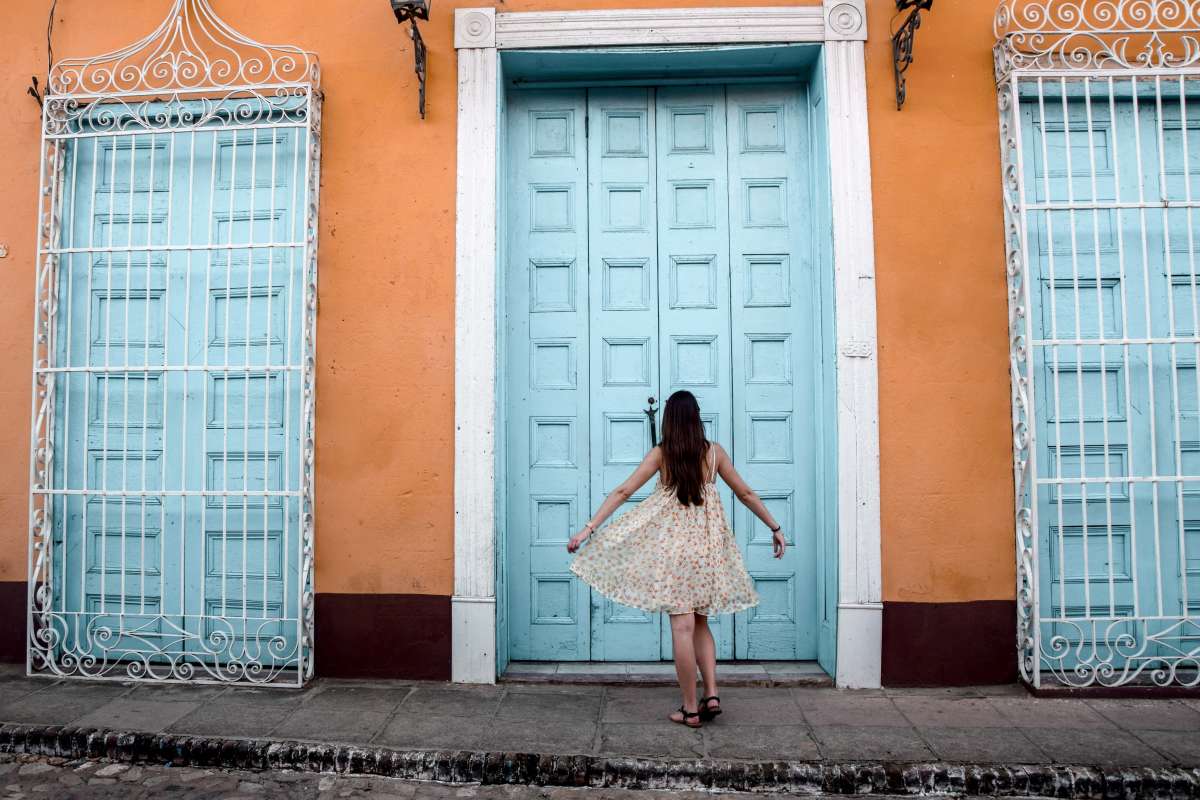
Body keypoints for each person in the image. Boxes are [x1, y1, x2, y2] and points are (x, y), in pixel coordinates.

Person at [567, 390, 786, 728]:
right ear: (697, 417)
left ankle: (689, 708)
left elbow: (624, 491)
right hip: (707, 551)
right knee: (700, 622)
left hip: (674, 554)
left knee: (681, 627)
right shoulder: (714, 454)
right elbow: (745, 493)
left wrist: (588, 529)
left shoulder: (662, 454)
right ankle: (711, 694)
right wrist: (774, 526)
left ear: (668, 420)